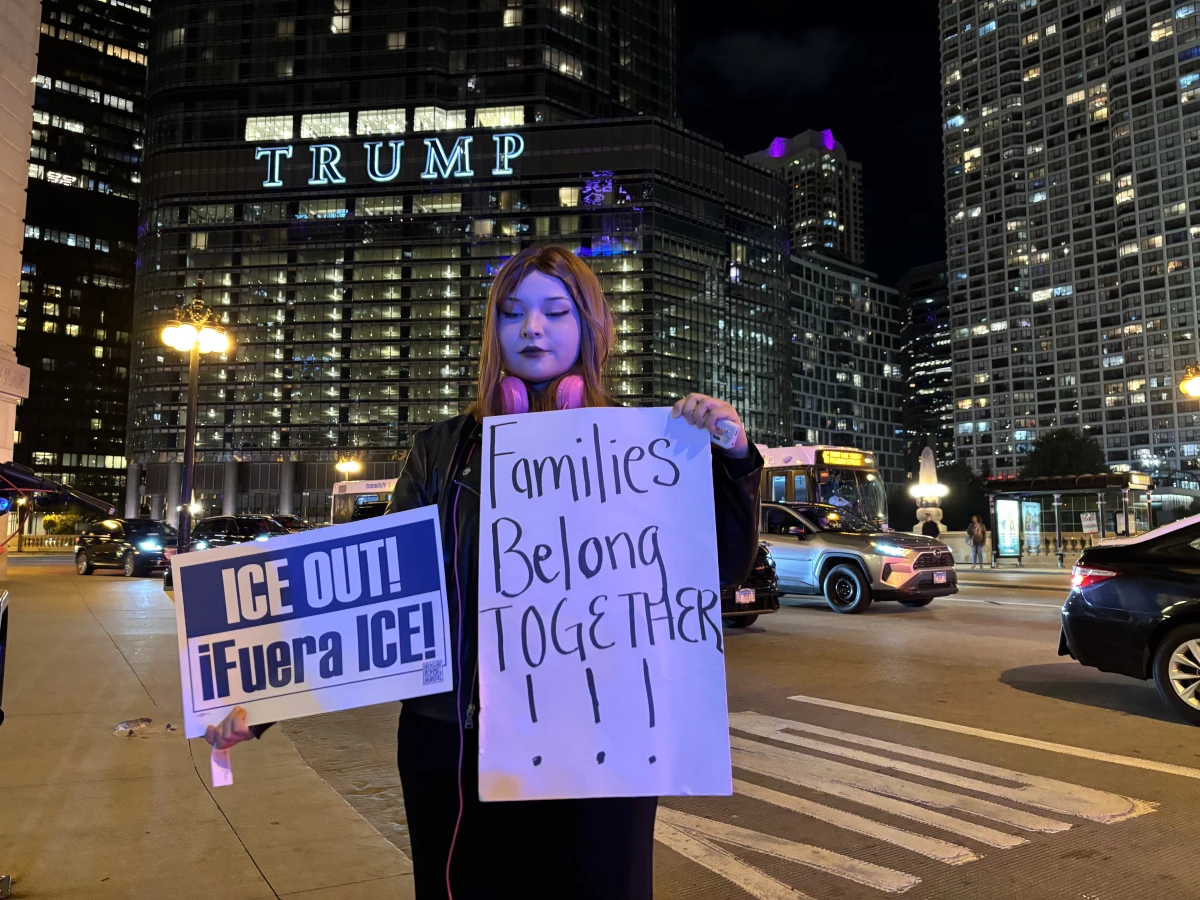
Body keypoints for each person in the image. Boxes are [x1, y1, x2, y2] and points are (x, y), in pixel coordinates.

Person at [202, 245, 763, 900]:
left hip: (605, 747)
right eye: (512, 312)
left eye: (557, 311)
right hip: (458, 746)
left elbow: (718, 572)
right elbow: (376, 590)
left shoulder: (644, 448)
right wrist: (257, 696)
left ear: (591, 327)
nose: (533, 329)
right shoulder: (441, 452)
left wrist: (733, 461)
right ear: (491, 330)